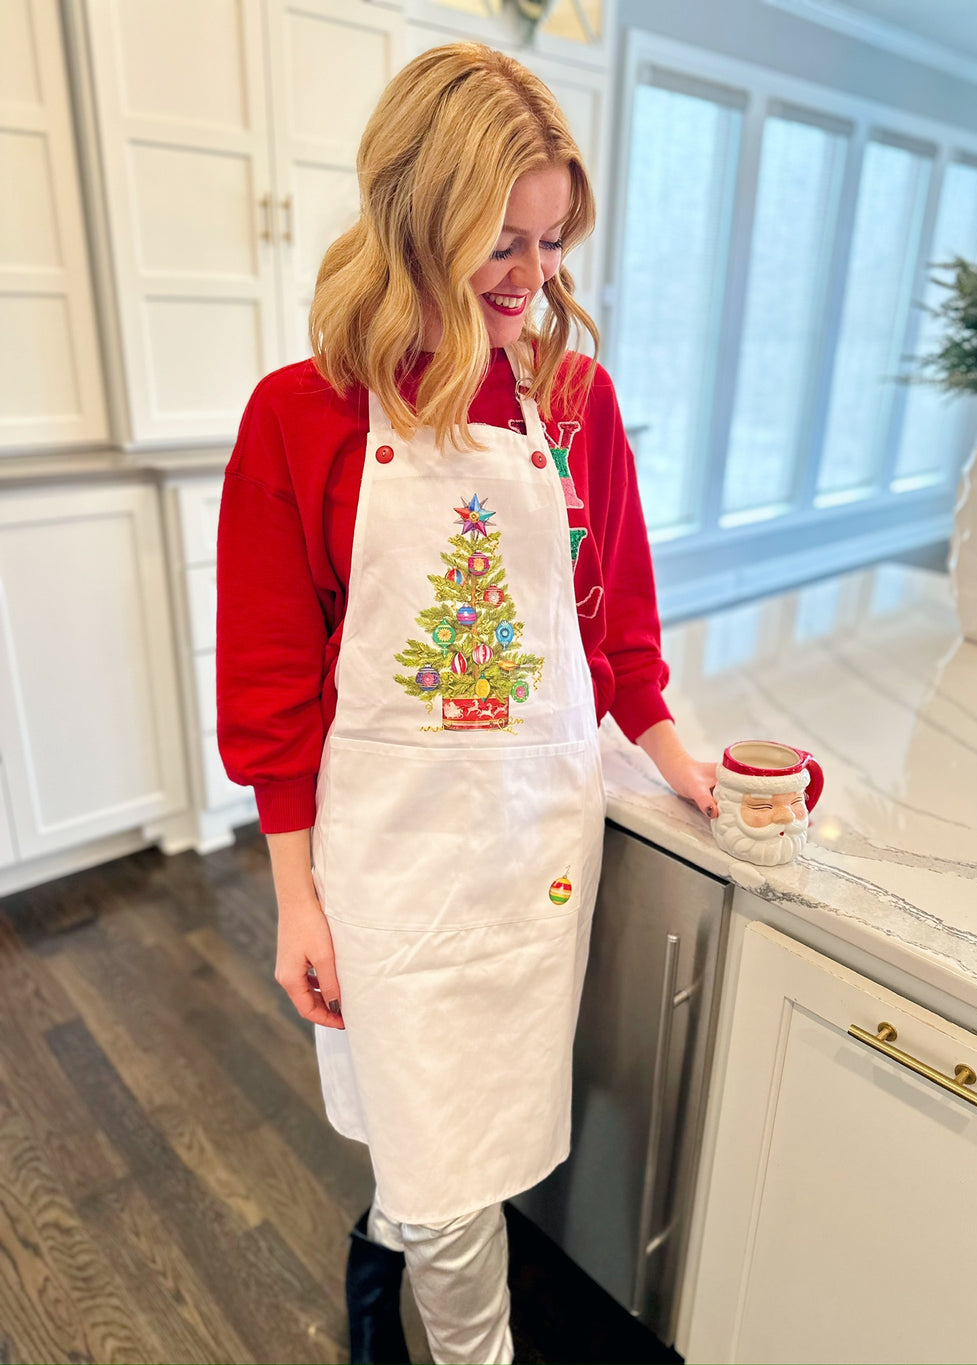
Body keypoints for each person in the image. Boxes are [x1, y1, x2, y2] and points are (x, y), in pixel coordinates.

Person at [217, 41, 717, 1365]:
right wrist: (294, 893)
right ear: (414, 215)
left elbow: (617, 626)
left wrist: (678, 750)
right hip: (387, 863)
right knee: (448, 1187)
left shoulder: (573, 401)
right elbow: (271, 682)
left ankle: (375, 1324)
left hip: (531, 853)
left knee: (458, 1146)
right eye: (501, 238)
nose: (531, 276)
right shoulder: (302, 416)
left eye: (551, 243)